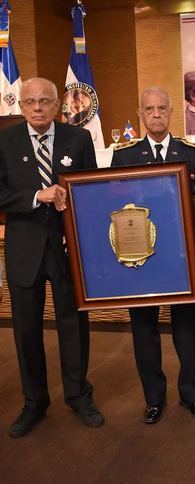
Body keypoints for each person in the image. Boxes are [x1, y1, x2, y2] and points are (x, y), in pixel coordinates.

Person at [0, 77, 104, 438]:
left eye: (45, 101)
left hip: (66, 250)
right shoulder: (5, 141)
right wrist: (36, 196)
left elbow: (90, 192)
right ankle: (34, 402)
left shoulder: (79, 139)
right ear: (21, 105)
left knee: (73, 326)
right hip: (24, 251)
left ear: (59, 104)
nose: (38, 107)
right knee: (26, 331)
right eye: (30, 102)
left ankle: (78, 395)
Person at [111, 87, 195, 424]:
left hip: (183, 258)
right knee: (144, 329)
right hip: (141, 258)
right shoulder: (123, 156)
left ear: (172, 113)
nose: (156, 114)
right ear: (140, 114)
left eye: (162, 108)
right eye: (149, 109)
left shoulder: (192, 153)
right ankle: (154, 398)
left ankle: (192, 395)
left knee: (187, 329)